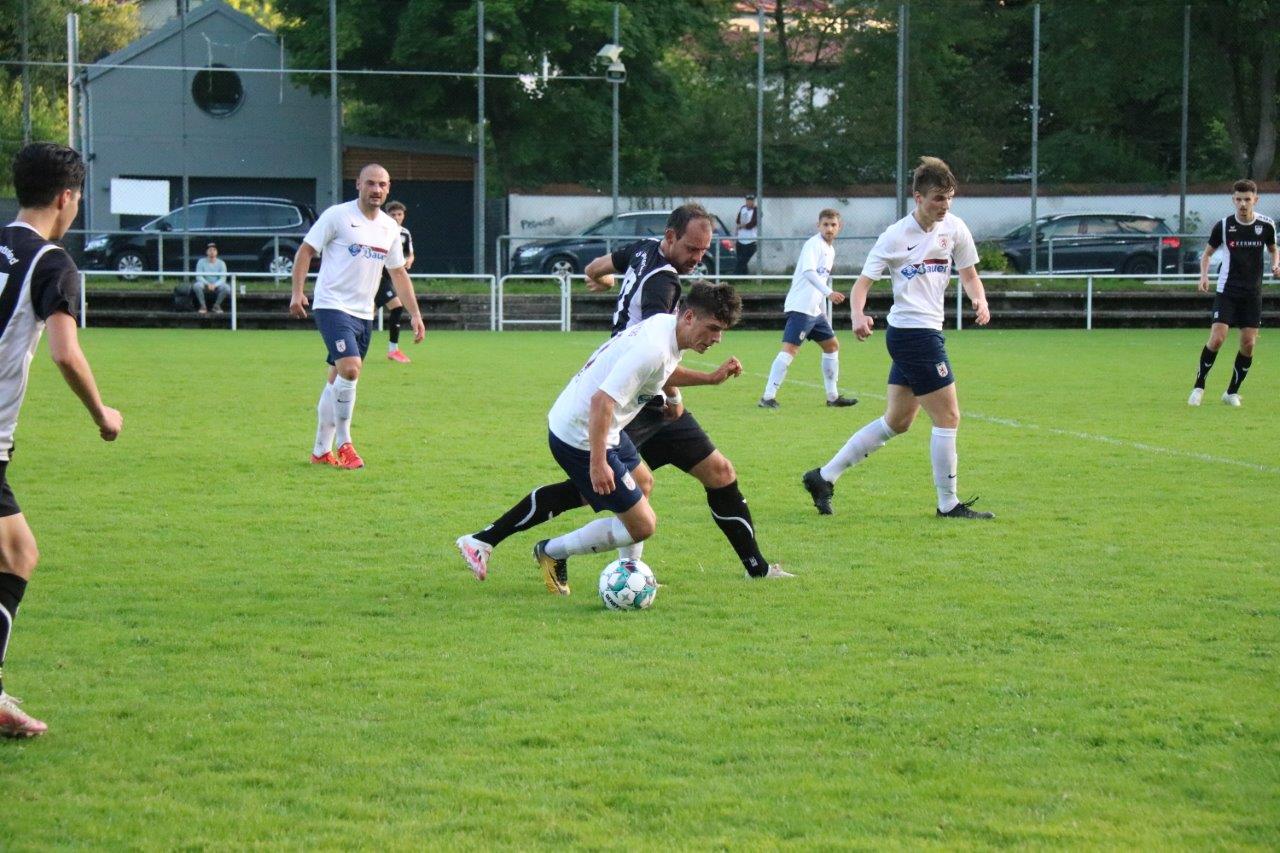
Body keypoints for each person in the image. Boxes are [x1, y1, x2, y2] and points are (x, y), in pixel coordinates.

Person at [457, 204, 791, 585]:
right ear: (671, 237)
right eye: (692, 249)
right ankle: (530, 547)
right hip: (616, 403)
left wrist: (604, 282)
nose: (698, 258)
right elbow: (644, 368)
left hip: (625, 396)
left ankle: (737, 569)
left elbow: (594, 269)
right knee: (604, 497)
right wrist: (673, 400)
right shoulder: (665, 290)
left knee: (673, 480)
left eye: (704, 250)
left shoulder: (644, 250)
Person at [465, 282, 742, 596]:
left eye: (722, 331)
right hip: (582, 434)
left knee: (641, 484)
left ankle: (486, 541)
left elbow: (661, 371)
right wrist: (598, 463)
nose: (717, 338)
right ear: (689, 316)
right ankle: (550, 551)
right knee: (643, 525)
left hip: (596, 425)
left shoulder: (667, 328)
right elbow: (602, 401)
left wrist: (708, 380)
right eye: (713, 328)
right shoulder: (653, 348)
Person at [0, 142, 123, 737]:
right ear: (67, 197)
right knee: (16, 555)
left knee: (15, 552)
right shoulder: (52, 264)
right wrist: (103, 414)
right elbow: (64, 353)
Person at [802, 156, 994, 520]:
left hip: (922, 333)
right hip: (913, 335)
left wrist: (979, 299)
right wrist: (857, 315)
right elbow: (862, 285)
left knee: (898, 421)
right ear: (918, 198)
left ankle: (823, 477)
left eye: (949, 198)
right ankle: (948, 504)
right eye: (938, 198)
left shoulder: (954, 228)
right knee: (948, 416)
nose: (945, 205)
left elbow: (969, 274)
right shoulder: (894, 236)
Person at [289, 164, 425, 469]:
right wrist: (297, 292)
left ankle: (320, 451)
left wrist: (415, 314)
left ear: (388, 189)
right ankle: (345, 444)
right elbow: (305, 251)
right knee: (351, 370)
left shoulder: (389, 228)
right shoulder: (337, 215)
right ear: (358, 184)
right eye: (371, 183)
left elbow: (398, 272)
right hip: (332, 305)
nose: (376, 189)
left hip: (364, 312)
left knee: (337, 378)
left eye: (382, 185)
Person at [1187, 179, 1278, 407]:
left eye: (1247, 199)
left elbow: (1273, 249)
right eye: (1238, 199)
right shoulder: (1224, 226)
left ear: (1255, 200)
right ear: (1233, 200)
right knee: (1217, 338)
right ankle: (1198, 387)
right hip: (1227, 291)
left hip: (1252, 294)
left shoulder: (1266, 225)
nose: (1243, 204)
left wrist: (1276, 264)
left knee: (1249, 344)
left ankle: (1231, 393)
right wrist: (1204, 275)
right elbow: (1207, 254)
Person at [758, 208, 858, 409]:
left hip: (814, 311)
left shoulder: (830, 250)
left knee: (832, 346)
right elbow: (809, 272)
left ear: (839, 227)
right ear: (818, 226)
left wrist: (822, 310)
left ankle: (832, 397)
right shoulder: (813, 245)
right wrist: (829, 293)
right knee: (790, 350)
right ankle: (767, 397)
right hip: (801, 307)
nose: (829, 228)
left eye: (833, 225)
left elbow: (820, 279)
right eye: (825, 224)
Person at [376, 200, 416, 363]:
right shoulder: (381, 230)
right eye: (393, 214)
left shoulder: (405, 233)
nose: (396, 217)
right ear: (387, 215)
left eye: (399, 214)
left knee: (368, 312)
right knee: (397, 307)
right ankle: (393, 350)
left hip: (391, 278)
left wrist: (409, 261)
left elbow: (409, 254)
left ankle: (351, 345)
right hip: (378, 276)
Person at [192, 242, 231, 315]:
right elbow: (199, 276)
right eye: (210, 250)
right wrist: (208, 284)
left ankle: (216, 306)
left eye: (214, 250)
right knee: (197, 286)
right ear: (206, 252)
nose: (212, 252)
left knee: (227, 288)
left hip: (217, 285)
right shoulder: (201, 262)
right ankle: (203, 306)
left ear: (217, 252)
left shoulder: (221, 263)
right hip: (204, 284)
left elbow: (223, 278)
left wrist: (215, 285)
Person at [734, 194, 759, 275]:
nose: (749, 202)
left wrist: (742, 226)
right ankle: (744, 277)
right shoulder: (743, 208)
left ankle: (735, 276)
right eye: (748, 200)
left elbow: (753, 223)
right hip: (741, 239)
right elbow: (738, 220)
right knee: (740, 260)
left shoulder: (756, 210)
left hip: (751, 240)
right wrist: (738, 228)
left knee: (743, 260)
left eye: (751, 201)